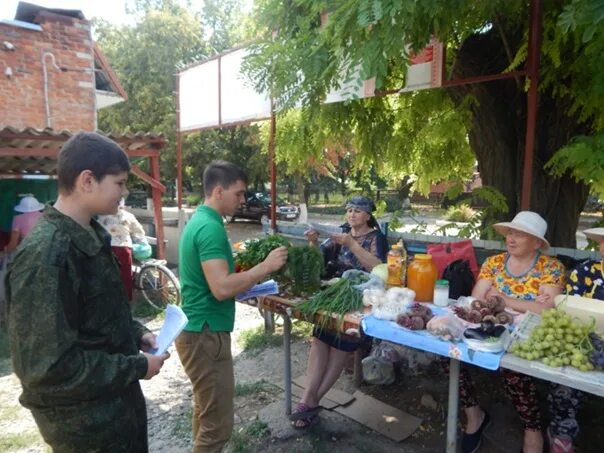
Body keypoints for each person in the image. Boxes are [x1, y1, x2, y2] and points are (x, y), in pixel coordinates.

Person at [4, 132, 170, 453]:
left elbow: (94, 315)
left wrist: (136, 334)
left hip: (116, 416)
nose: (124, 193)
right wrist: (136, 367)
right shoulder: (46, 255)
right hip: (88, 431)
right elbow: (47, 370)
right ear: (88, 181)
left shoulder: (90, 234)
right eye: (120, 183)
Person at [175, 160, 288, 453]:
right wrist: (264, 267)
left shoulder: (200, 220)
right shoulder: (210, 228)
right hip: (205, 334)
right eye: (238, 193)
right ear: (217, 190)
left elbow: (215, 282)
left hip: (199, 330)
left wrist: (244, 280)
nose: (242, 200)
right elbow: (222, 287)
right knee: (217, 426)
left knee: (205, 412)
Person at [459, 211, 565, 453]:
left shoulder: (551, 267)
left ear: (537, 242)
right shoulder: (494, 262)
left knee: (512, 367)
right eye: (510, 232)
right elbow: (477, 299)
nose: (511, 238)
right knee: (448, 356)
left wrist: (502, 297)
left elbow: (547, 310)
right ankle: (473, 412)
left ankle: (532, 429)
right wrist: (526, 303)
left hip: (526, 337)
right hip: (487, 328)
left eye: (520, 234)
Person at [290, 195, 388, 429]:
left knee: (339, 346)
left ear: (367, 215)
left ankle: (311, 400)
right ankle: (309, 399)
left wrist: (351, 244)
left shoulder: (376, 238)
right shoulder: (341, 233)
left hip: (362, 298)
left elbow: (379, 268)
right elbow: (320, 260)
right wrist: (313, 242)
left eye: (357, 210)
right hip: (336, 295)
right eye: (349, 210)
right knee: (319, 340)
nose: (352, 214)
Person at [546, 227, 604, 453]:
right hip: (583, 340)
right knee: (565, 376)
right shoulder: (586, 272)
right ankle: (562, 433)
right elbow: (568, 315)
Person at [98, 198, 149, 301]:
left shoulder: (102, 216)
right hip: (124, 248)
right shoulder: (128, 216)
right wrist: (141, 244)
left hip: (107, 248)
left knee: (108, 276)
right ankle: (126, 300)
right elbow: (138, 232)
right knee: (125, 276)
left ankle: (110, 301)